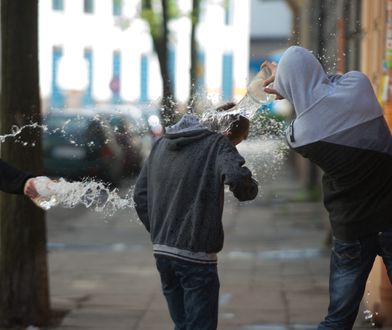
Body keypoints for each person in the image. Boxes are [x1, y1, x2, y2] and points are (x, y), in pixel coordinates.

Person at [263, 45, 392, 329]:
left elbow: (309, 98)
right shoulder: (359, 87)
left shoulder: (300, 135)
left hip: (351, 226)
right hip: (390, 214)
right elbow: (332, 81)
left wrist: (287, 85)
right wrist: (298, 78)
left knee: (338, 319)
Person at [133, 106, 258, 330]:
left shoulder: (162, 143)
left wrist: (160, 230)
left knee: (182, 325)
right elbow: (239, 179)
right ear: (230, 133)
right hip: (196, 254)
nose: (236, 146)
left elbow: (141, 195)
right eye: (238, 141)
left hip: (163, 252)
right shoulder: (218, 144)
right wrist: (249, 189)